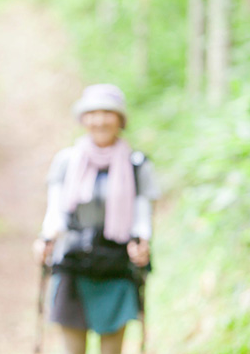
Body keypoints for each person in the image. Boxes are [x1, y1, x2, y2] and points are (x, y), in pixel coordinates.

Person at [34, 84, 159, 354]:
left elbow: (142, 216)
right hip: (73, 264)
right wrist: (46, 239)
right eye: (93, 113)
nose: (100, 120)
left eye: (107, 113)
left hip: (116, 268)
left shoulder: (137, 164)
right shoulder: (67, 161)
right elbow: (55, 211)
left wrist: (142, 243)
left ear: (120, 120)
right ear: (83, 119)